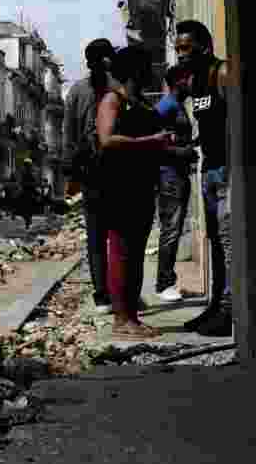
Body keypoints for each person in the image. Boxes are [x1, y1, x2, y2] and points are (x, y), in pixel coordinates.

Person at [95, 44, 174, 339]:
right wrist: (150, 141)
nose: (151, 72)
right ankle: (121, 320)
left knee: (136, 254)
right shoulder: (112, 100)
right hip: (119, 187)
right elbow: (107, 139)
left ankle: (132, 317)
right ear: (134, 71)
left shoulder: (139, 103)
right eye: (146, 67)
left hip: (142, 186)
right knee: (121, 252)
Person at [175, 19, 235, 337]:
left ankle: (229, 311)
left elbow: (236, 121)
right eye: (177, 48)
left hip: (226, 171)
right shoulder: (195, 81)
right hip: (209, 171)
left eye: (186, 47)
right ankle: (215, 306)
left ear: (204, 46)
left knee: (228, 241)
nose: (180, 54)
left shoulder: (220, 73)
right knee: (216, 243)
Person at [63, 38, 117, 314]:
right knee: (117, 235)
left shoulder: (76, 91)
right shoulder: (118, 87)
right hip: (114, 170)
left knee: (96, 237)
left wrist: (72, 174)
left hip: (91, 171)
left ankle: (102, 294)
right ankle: (115, 291)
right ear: (108, 59)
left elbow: (69, 137)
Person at [154, 65, 199, 303]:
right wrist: (183, 153)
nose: (192, 82)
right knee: (170, 230)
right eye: (189, 78)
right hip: (169, 177)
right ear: (179, 81)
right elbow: (155, 144)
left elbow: (175, 140)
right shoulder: (166, 106)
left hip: (178, 175)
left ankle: (167, 281)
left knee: (174, 229)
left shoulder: (178, 105)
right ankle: (164, 284)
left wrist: (190, 146)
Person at [17, 159, 38, 230]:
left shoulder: (31, 172)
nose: (27, 166)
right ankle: (27, 218)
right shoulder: (23, 172)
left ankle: (28, 218)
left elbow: (34, 182)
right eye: (26, 164)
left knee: (38, 200)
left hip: (29, 190)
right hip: (26, 190)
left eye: (27, 164)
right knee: (17, 200)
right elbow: (20, 182)